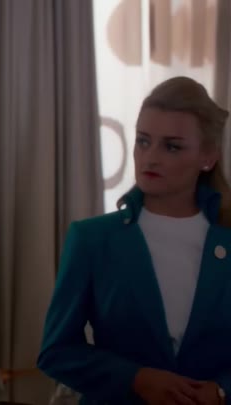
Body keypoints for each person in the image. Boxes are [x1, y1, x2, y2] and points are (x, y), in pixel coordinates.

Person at [38, 76, 231, 405]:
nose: (150, 157)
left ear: (208, 156)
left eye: (171, 146)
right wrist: (136, 379)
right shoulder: (92, 239)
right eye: (143, 141)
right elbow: (56, 352)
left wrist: (222, 390)